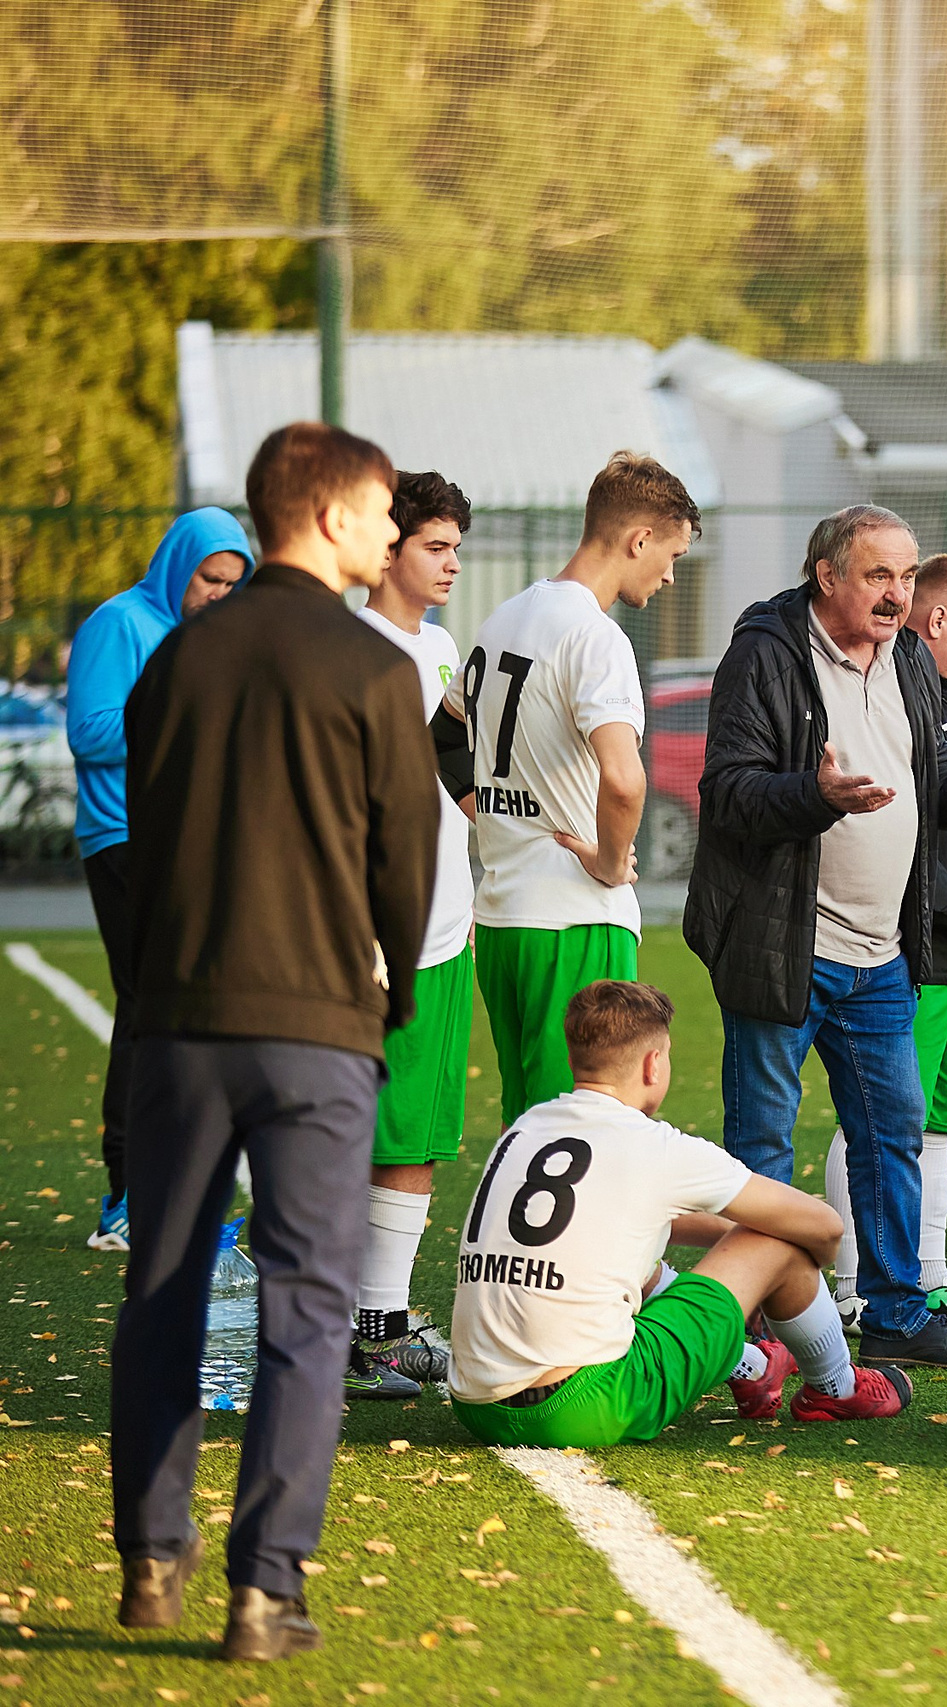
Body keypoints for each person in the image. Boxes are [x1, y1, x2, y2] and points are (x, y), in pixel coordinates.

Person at [110, 422, 439, 1663]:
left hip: (180, 1023)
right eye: (382, 512)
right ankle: (265, 1590)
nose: (392, 534)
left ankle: (151, 1556)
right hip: (318, 1027)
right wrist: (391, 989)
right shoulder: (372, 666)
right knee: (307, 1302)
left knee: (164, 1285)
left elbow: (141, 842)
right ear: (333, 516)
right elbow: (404, 859)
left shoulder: (175, 658)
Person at [683, 506, 947, 1373]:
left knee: (893, 1135)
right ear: (827, 576)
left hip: (881, 954)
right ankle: (748, 1331)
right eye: (878, 576)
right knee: (763, 1147)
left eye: (906, 575)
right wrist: (815, 797)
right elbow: (729, 792)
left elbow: (931, 778)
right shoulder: (766, 653)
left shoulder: (907, 659)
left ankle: (896, 1313)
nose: (898, 594)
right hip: (783, 949)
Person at [447, 982, 909, 1446]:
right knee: (779, 1238)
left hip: (475, 1405)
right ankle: (836, 1388)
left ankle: (752, 1367)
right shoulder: (656, 1146)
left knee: (624, 1254)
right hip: (582, 1405)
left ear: (574, 1059)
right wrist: (775, 1262)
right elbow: (825, 1227)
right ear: (653, 1064)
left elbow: (624, 1218)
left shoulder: (527, 1127)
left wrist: (736, 1244)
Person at [449, 452, 694, 1125]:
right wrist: (611, 862)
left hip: (503, 918)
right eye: (671, 555)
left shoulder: (502, 619)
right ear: (638, 539)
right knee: (588, 1129)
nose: (671, 575)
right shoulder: (596, 637)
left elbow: (441, 735)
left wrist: (491, 817)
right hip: (574, 917)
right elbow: (624, 779)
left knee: (529, 1123)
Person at [821, 552, 947, 1326]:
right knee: (879, 1118)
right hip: (920, 949)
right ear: (935, 621)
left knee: (935, 1122)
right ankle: (852, 1283)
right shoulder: (893, 699)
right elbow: (900, 835)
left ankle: (930, 1275)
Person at [63, 508, 251, 1251]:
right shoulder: (122, 624)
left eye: (232, 583)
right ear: (178, 566)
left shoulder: (208, 637)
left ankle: (165, 1188)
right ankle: (127, 1196)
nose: (219, 594)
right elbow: (89, 731)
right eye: (210, 579)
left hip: (184, 841)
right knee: (150, 1003)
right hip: (124, 836)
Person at [347, 471, 478, 1401]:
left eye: (456, 548)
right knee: (353, 1133)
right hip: (370, 941)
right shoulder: (350, 652)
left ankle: (379, 1326)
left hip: (444, 929)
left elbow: (457, 785)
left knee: (417, 1138)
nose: (452, 564)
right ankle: (343, 1326)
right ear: (386, 548)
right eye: (436, 546)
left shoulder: (440, 650)